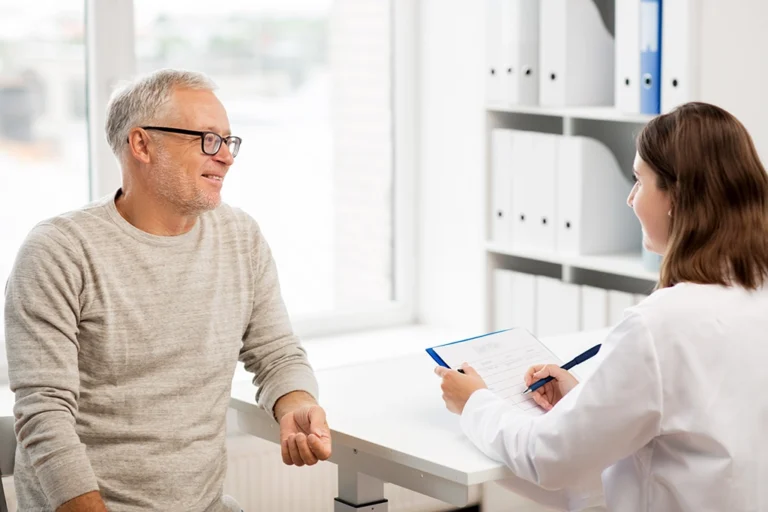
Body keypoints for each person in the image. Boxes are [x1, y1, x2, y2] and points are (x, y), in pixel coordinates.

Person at [4, 69, 331, 512]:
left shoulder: (240, 236)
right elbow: (44, 414)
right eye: (207, 139)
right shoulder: (60, 251)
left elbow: (276, 354)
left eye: (229, 141)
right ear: (141, 144)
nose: (226, 157)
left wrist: (295, 403)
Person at [436, 102, 768, 511]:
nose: (631, 200)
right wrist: (585, 401)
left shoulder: (659, 324)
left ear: (675, 198)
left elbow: (549, 457)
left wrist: (474, 403)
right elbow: (696, 424)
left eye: (639, 181)